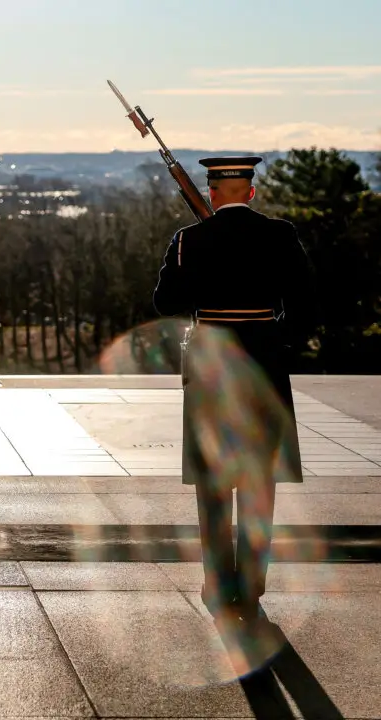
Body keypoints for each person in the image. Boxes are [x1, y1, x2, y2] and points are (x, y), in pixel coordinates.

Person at [153, 155, 317, 624]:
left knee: (213, 483)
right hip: (263, 367)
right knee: (259, 481)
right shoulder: (280, 236)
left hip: (210, 368)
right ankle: (251, 583)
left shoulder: (189, 239)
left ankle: (217, 582)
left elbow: (166, 303)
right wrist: (273, 339)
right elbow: (305, 309)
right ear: (250, 192)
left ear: (210, 195)